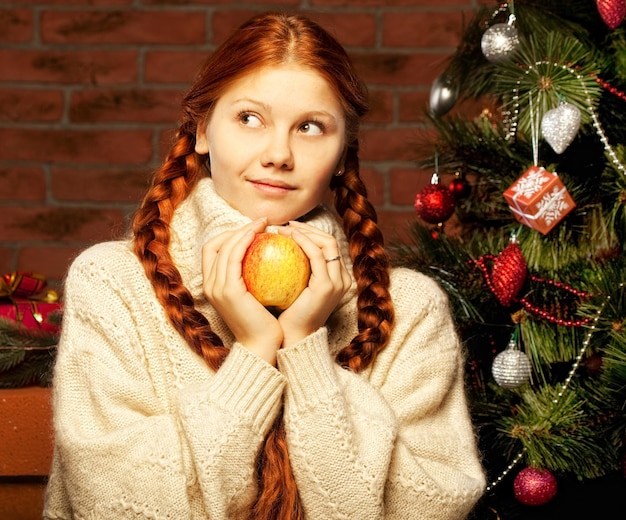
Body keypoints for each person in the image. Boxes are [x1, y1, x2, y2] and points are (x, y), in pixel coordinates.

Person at [43, 11, 486, 520]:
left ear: (344, 152)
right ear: (203, 131)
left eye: (311, 128)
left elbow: (427, 508)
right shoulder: (114, 285)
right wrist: (254, 353)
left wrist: (304, 350)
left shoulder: (410, 309)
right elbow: (115, 506)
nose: (279, 153)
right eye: (249, 118)